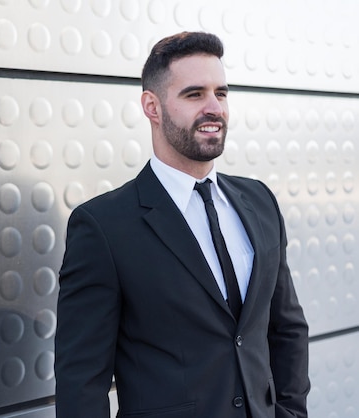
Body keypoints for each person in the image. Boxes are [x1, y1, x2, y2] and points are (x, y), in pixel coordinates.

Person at [54, 32, 310, 418]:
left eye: (221, 93)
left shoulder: (260, 202)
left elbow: (286, 330)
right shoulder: (103, 227)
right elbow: (81, 381)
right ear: (152, 107)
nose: (214, 108)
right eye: (194, 94)